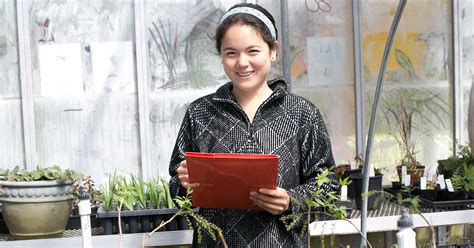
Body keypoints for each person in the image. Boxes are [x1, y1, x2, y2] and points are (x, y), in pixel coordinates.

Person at [169, 3, 338, 247]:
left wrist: (291, 201)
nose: (242, 63)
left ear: (273, 50)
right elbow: (176, 191)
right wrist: (183, 184)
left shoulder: (301, 114)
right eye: (231, 53)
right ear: (221, 56)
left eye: (253, 51)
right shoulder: (200, 114)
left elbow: (328, 188)